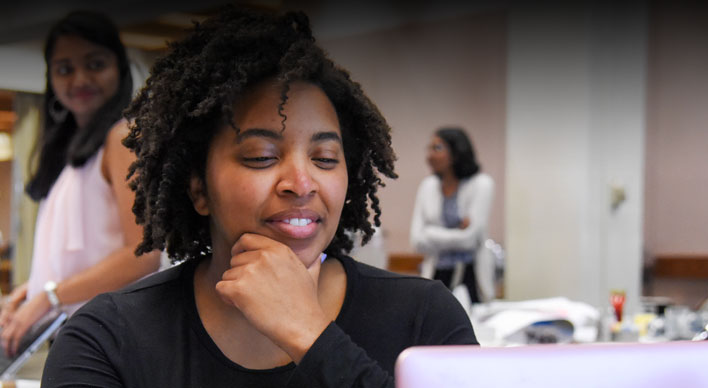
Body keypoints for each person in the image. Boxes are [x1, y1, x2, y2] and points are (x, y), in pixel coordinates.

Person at [42, 8, 477, 387]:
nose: (301, 183)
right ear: (199, 189)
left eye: (325, 158)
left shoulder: (424, 317)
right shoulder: (105, 339)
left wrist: (311, 335)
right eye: (261, 157)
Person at [0, 11, 161, 356]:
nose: (80, 78)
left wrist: (49, 295)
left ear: (118, 67)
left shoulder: (121, 138)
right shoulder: (77, 151)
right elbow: (91, 251)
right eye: (65, 69)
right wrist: (34, 288)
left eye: (95, 63)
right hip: (88, 333)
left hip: (117, 337)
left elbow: (144, 254)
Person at [410, 127, 495, 304]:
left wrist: (430, 232)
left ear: (457, 153)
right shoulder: (427, 186)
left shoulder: (482, 185)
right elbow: (417, 241)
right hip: (437, 273)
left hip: (471, 275)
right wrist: (457, 231)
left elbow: (469, 240)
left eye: (437, 148)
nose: (429, 155)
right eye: (429, 148)